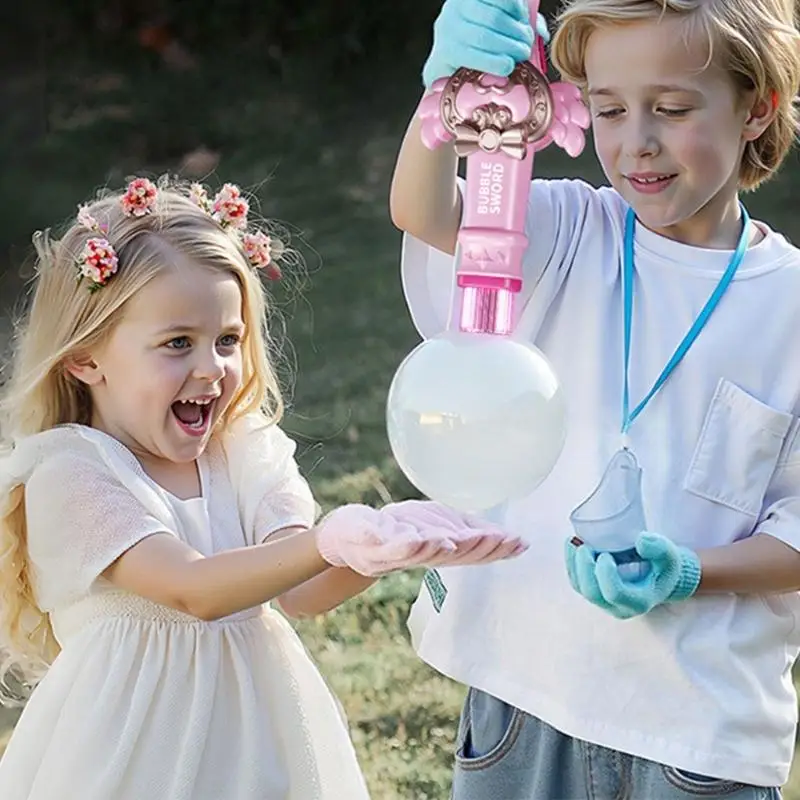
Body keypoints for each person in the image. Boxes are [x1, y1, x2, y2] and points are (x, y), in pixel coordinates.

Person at [0, 176, 527, 800]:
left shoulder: (241, 449)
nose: (212, 369)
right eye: (176, 344)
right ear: (86, 359)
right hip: (129, 760)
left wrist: (379, 549)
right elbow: (192, 590)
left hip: (257, 749)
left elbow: (302, 589)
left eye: (228, 340)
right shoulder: (72, 473)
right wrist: (330, 539)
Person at [390, 0, 800, 797]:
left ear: (758, 108)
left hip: (697, 739)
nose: (635, 140)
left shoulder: (790, 306)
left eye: (672, 108)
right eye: (609, 109)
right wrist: (444, 94)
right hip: (524, 697)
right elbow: (427, 210)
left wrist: (688, 572)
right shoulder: (573, 231)